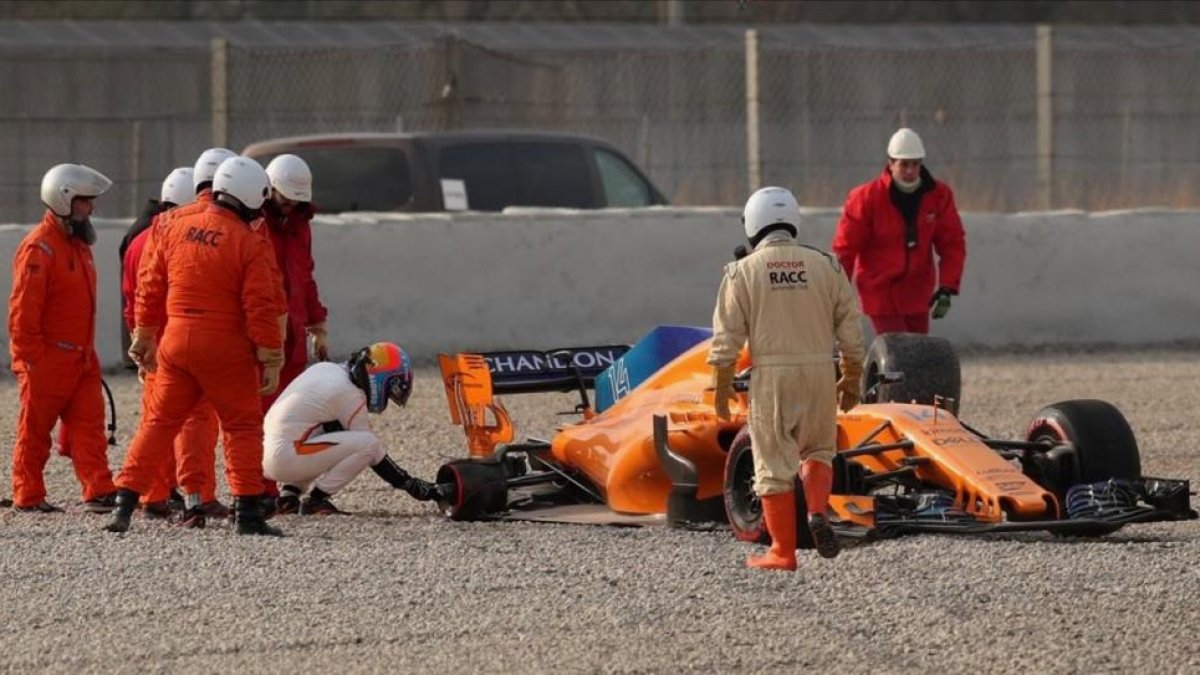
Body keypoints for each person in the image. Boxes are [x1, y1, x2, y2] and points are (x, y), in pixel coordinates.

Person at [105, 156, 288, 535]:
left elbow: (150, 284)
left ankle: (123, 504)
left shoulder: (170, 224)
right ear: (250, 197)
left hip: (176, 343)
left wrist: (143, 334)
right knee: (241, 427)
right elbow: (260, 307)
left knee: (158, 423)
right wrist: (271, 357)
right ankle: (248, 514)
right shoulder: (248, 241)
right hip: (225, 350)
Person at [708, 186, 865, 571]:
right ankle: (816, 511)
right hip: (818, 374)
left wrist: (722, 382)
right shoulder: (826, 266)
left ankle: (782, 551)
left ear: (752, 224)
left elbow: (726, 339)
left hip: (772, 378)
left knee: (773, 465)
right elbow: (851, 330)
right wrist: (851, 376)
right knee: (817, 450)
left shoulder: (741, 273)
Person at [8, 164, 118, 513]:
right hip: (48, 360)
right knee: (35, 431)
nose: (91, 208)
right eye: (85, 201)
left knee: (90, 428)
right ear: (65, 200)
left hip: (81, 358)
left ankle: (99, 490)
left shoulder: (76, 244)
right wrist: (32, 360)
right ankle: (28, 494)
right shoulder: (39, 248)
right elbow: (23, 311)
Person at [121, 167, 229, 520]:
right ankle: (194, 497)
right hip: (178, 344)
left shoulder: (140, 238)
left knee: (156, 423)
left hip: (156, 345)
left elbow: (133, 299)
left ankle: (153, 496)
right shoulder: (174, 237)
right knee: (194, 422)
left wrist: (141, 344)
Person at [263, 342, 443, 515]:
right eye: (389, 391)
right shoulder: (349, 394)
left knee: (330, 430)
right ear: (380, 378)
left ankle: (289, 496)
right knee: (367, 444)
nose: (386, 398)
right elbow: (375, 453)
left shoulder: (326, 369)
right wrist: (414, 486)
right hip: (283, 460)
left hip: (265, 455)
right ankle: (316, 501)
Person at [832, 128, 966, 335]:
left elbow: (952, 243)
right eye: (904, 164)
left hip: (918, 293)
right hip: (880, 293)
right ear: (890, 163)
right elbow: (845, 249)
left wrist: (947, 287)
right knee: (898, 353)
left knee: (918, 356)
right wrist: (837, 293)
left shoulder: (938, 196)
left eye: (916, 164)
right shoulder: (866, 199)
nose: (911, 171)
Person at [258, 154, 330, 506]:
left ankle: (288, 487)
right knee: (262, 418)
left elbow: (306, 278)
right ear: (269, 191)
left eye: (295, 201)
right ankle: (261, 490)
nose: (289, 206)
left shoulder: (302, 226)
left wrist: (318, 326)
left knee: (293, 416)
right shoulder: (254, 224)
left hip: (294, 340)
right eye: (284, 199)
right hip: (265, 339)